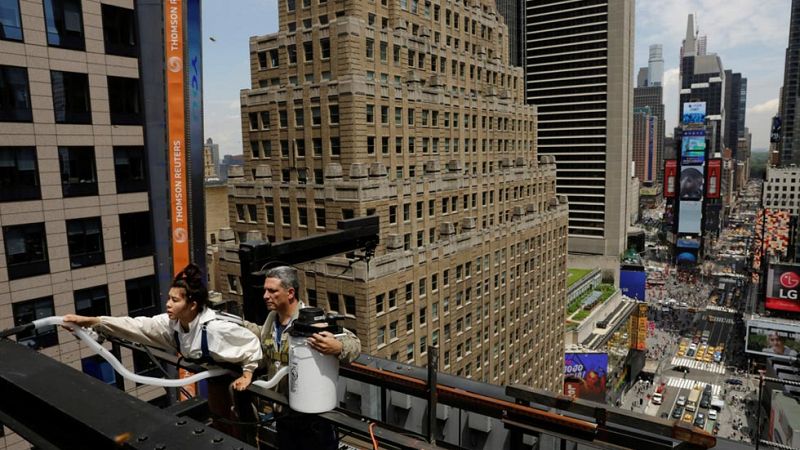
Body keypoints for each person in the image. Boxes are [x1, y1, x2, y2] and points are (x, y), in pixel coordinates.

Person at [63, 264, 263, 390]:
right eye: (169, 298)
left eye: (175, 300)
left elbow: (252, 344)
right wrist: (93, 322)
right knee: (220, 414)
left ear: (192, 305)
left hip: (259, 359)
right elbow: (136, 326)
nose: (168, 304)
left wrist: (247, 374)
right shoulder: (171, 324)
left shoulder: (214, 329)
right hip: (221, 369)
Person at [243, 266, 360, 450]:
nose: (265, 296)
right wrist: (235, 325)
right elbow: (263, 340)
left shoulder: (311, 321)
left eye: (272, 291)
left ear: (290, 293)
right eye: (265, 290)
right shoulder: (271, 320)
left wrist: (338, 347)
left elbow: (355, 344)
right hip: (283, 414)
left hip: (313, 420)